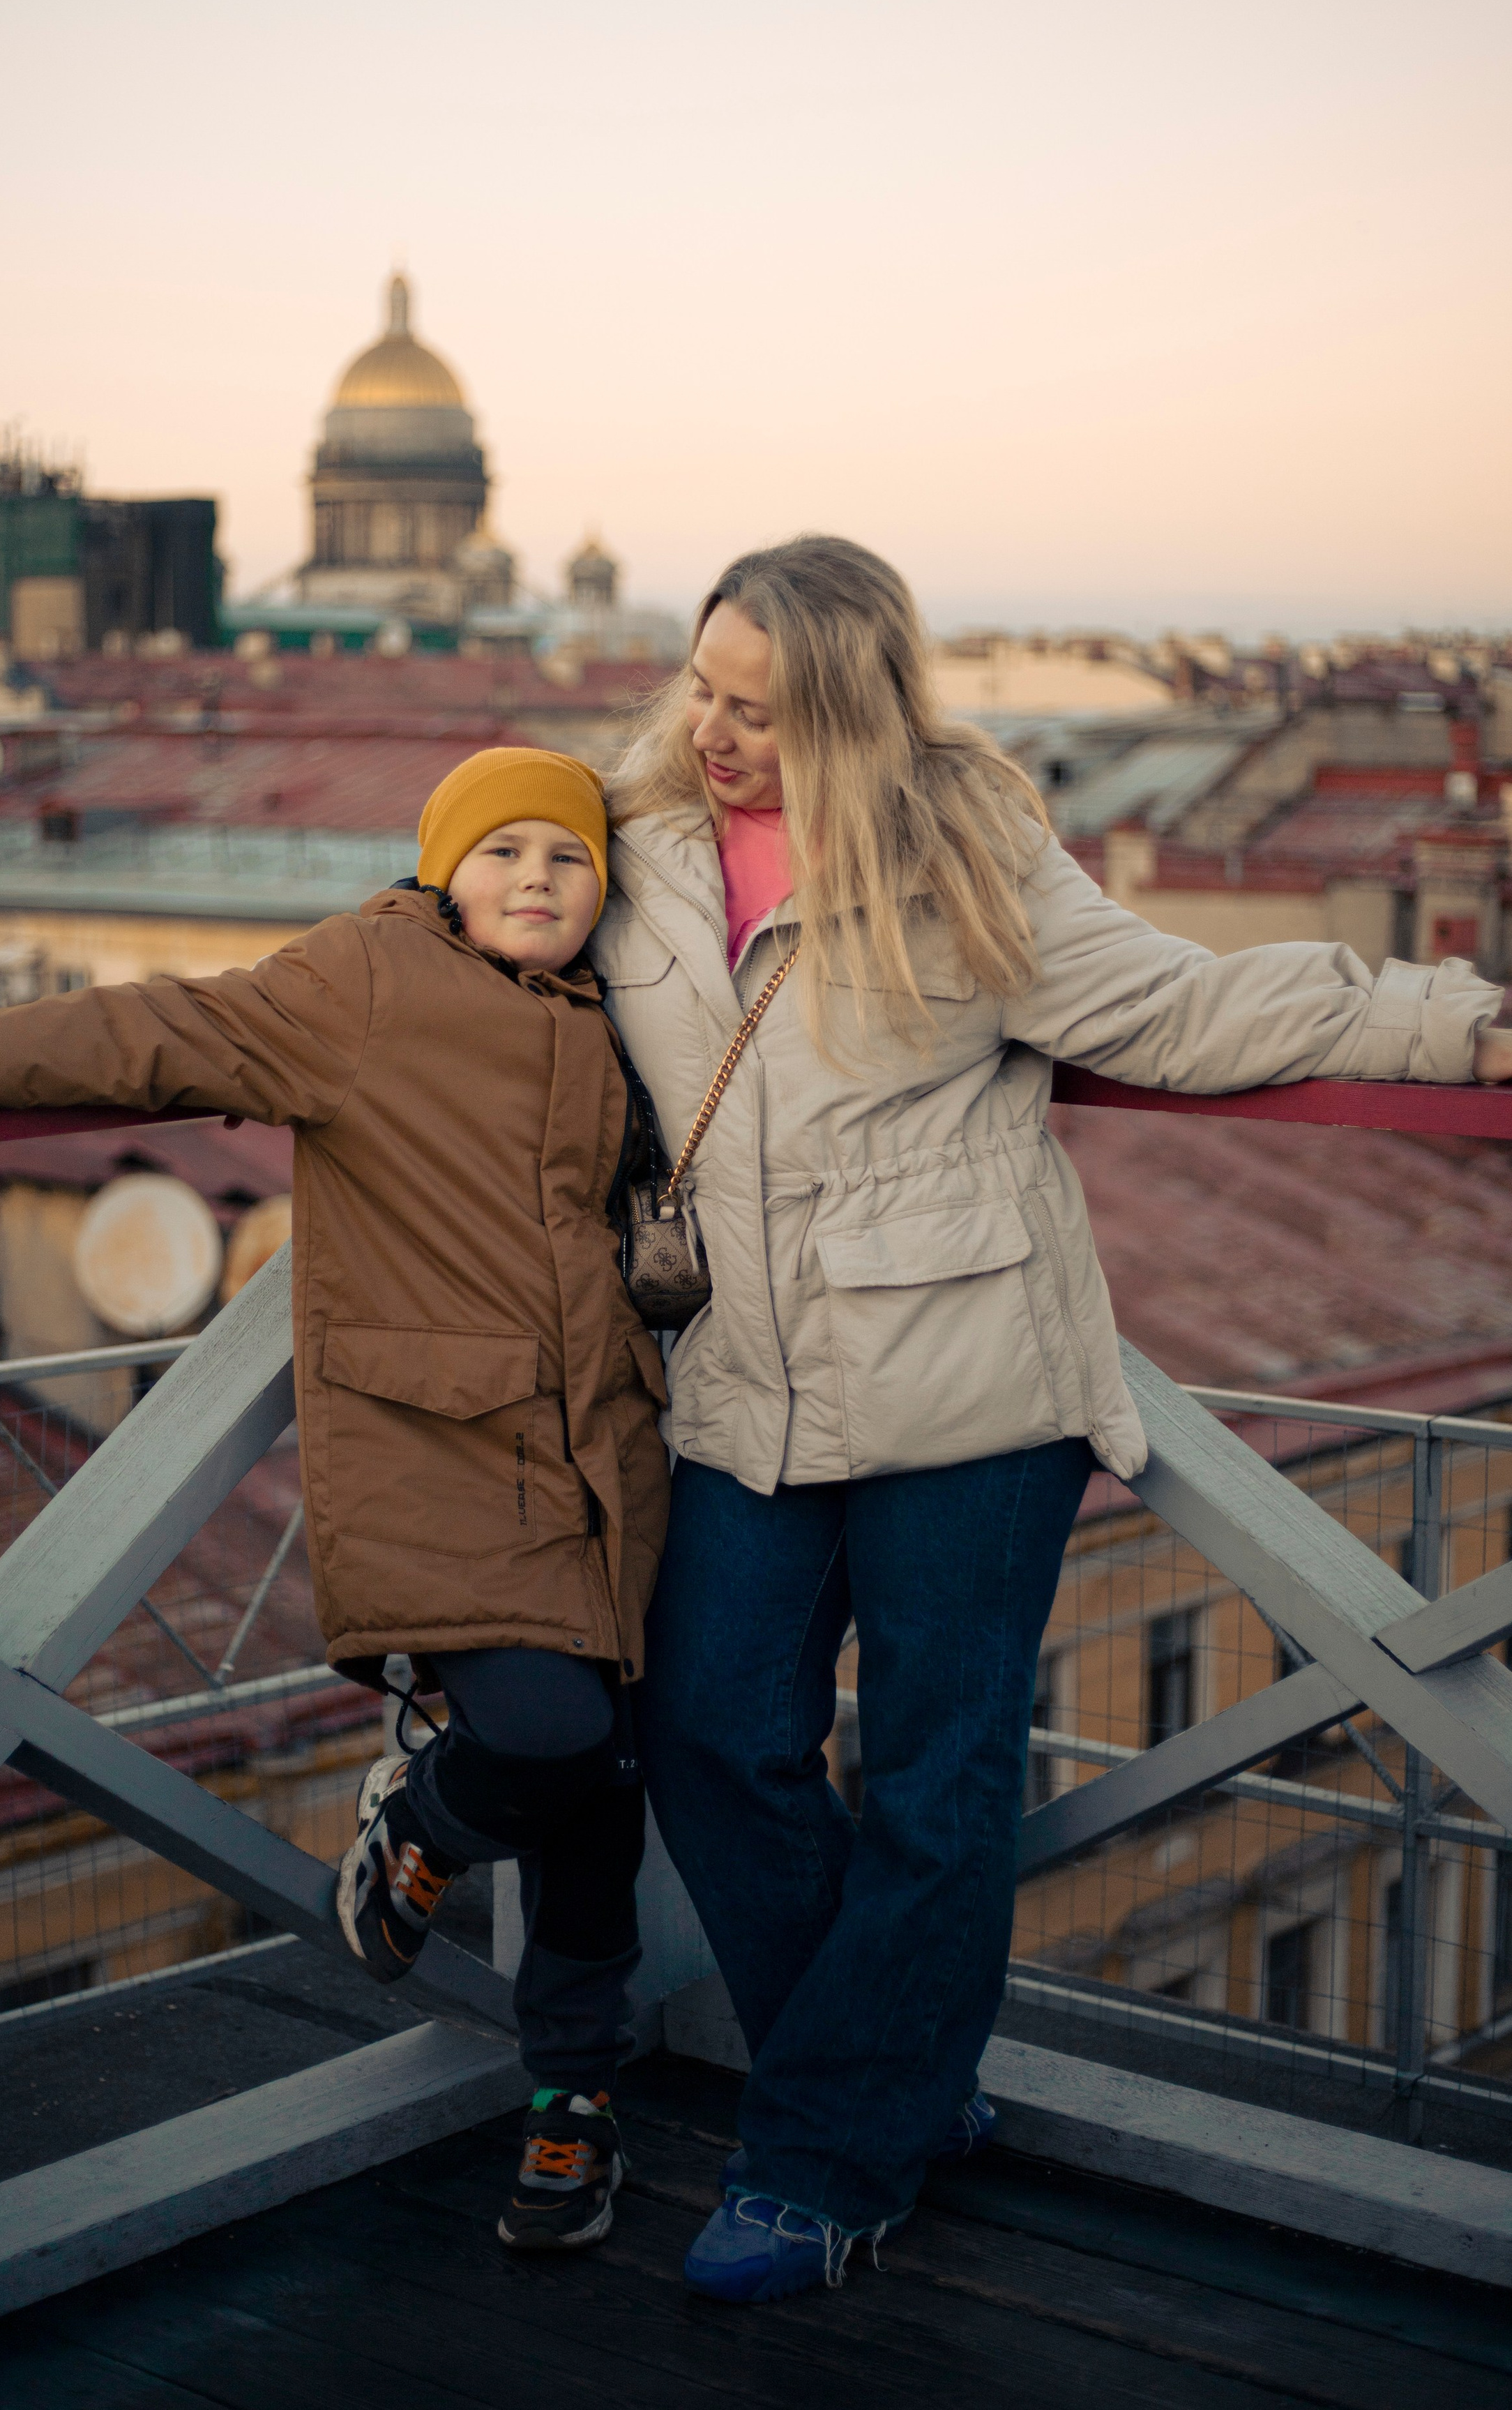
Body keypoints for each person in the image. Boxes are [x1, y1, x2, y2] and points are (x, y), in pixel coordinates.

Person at [596, 535, 1512, 2304]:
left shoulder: (962, 850)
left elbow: (1174, 1003)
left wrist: (1457, 1024)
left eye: (758, 713)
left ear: (850, 718)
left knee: (938, 1784)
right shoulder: (629, 852)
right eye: (699, 690)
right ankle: (888, 2084)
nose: (712, 733)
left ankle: (827, 2162)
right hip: (738, 1388)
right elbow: (411, 974)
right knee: (710, 1735)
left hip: (972, 1391)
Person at [0, 746, 670, 2257]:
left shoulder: (616, 1017)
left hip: (605, 1456)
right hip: (447, 1447)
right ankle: (415, 1818)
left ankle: (573, 2098)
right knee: (544, 1742)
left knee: (603, 1790)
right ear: (441, 873)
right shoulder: (364, 981)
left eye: (568, 857)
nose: (537, 880)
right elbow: (171, 1027)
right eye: (501, 856)